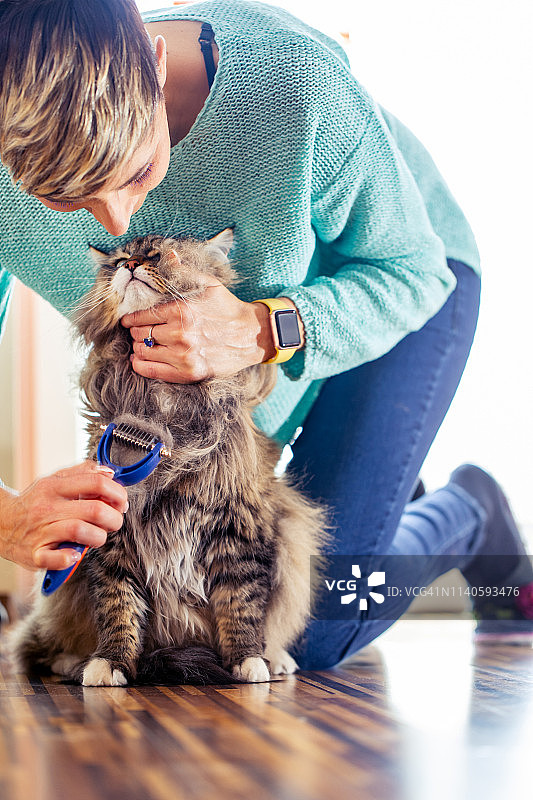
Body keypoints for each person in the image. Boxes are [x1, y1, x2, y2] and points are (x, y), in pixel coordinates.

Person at [0, 0, 531, 656]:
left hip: (394, 281)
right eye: (62, 197)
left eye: (136, 171)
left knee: (319, 622)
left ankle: (474, 512)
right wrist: (9, 518)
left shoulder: (295, 84)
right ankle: (378, 492)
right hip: (241, 379)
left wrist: (259, 328)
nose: (115, 222)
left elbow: (414, 272)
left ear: (156, 65)